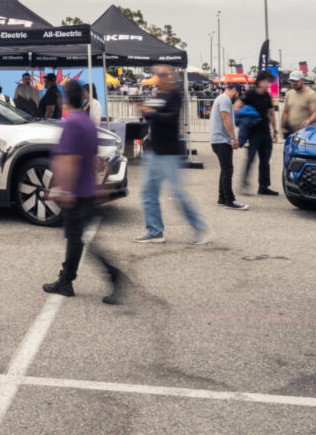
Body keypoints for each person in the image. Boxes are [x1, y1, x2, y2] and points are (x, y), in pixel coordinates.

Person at [42, 80, 126, 303]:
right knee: (77, 239)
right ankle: (67, 279)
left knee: (77, 238)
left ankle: (109, 275)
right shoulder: (87, 123)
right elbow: (95, 159)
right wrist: (101, 187)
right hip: (87, 189)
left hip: (77, 191)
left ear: (65, 99)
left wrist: (65, 191)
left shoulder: (71, 124)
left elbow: (70, 160)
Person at [134, 64, 214, 245]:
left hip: (168, 152)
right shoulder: (157, 94)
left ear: (170, 76)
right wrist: (144, 111)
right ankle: (155, 231)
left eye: (162, 75)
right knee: (148, 193)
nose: (159, 78)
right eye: (157, 74)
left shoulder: (175, 94)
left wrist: (151, 113)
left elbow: (170, 118)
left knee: (178, 194)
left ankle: (201, 227)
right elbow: (151, 119)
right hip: (154, 150)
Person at [237, 71, 279, 195]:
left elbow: (271, 113)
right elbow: (237, 107)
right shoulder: (249, 94)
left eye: (269, 82)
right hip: (254, 133)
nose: (268, 84)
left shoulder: (267, 95)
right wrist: (248, 116)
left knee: (265, 161)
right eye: (267, 81)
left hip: (266, 132)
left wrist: (275, 130)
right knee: (250, 159)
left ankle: (263, 187)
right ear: (260, 81)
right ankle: (244, 184)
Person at [210, 83, 247, 210]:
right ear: (235, 90)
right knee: (227, 170)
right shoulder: (225, 99)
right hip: (222, 140)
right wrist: (233, 138)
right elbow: (226, 118)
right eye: (238, 95)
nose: (237, 99)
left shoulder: (220, 98)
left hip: (217, 140)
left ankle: (222, 197)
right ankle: (229, 200)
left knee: (224, 169)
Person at [281, 71, 316, 138]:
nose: (293, 83)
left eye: (296, 81)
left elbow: (315, 113)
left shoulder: (311, 94)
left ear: (303, 80)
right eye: (292, 81)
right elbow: (285, 112)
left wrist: (309, 121)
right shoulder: (289, 94)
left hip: (305, 132)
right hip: (291, 132)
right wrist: (282, 126)